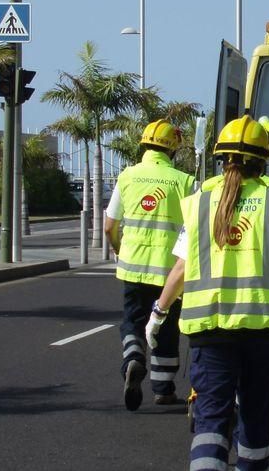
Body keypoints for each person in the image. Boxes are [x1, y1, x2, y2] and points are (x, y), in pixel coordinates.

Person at [149, 115, 269, 471]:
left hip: (210, 331)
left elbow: (181, 269)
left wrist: (159, 310)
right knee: (254, 418)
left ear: (222, 158)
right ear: (264, 159)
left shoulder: (200, 202)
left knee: (210, 421)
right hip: (264, 332)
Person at [104, 120, 194, 411]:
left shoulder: (127, 176)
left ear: (143, 145)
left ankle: (132, 357)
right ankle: (163, 389)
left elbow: (109, 226)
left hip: (133, 266)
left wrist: (120, 250)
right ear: (173, 150)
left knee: (132, 320)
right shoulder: (184, 181)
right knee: (165, 328)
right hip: (170, 271)